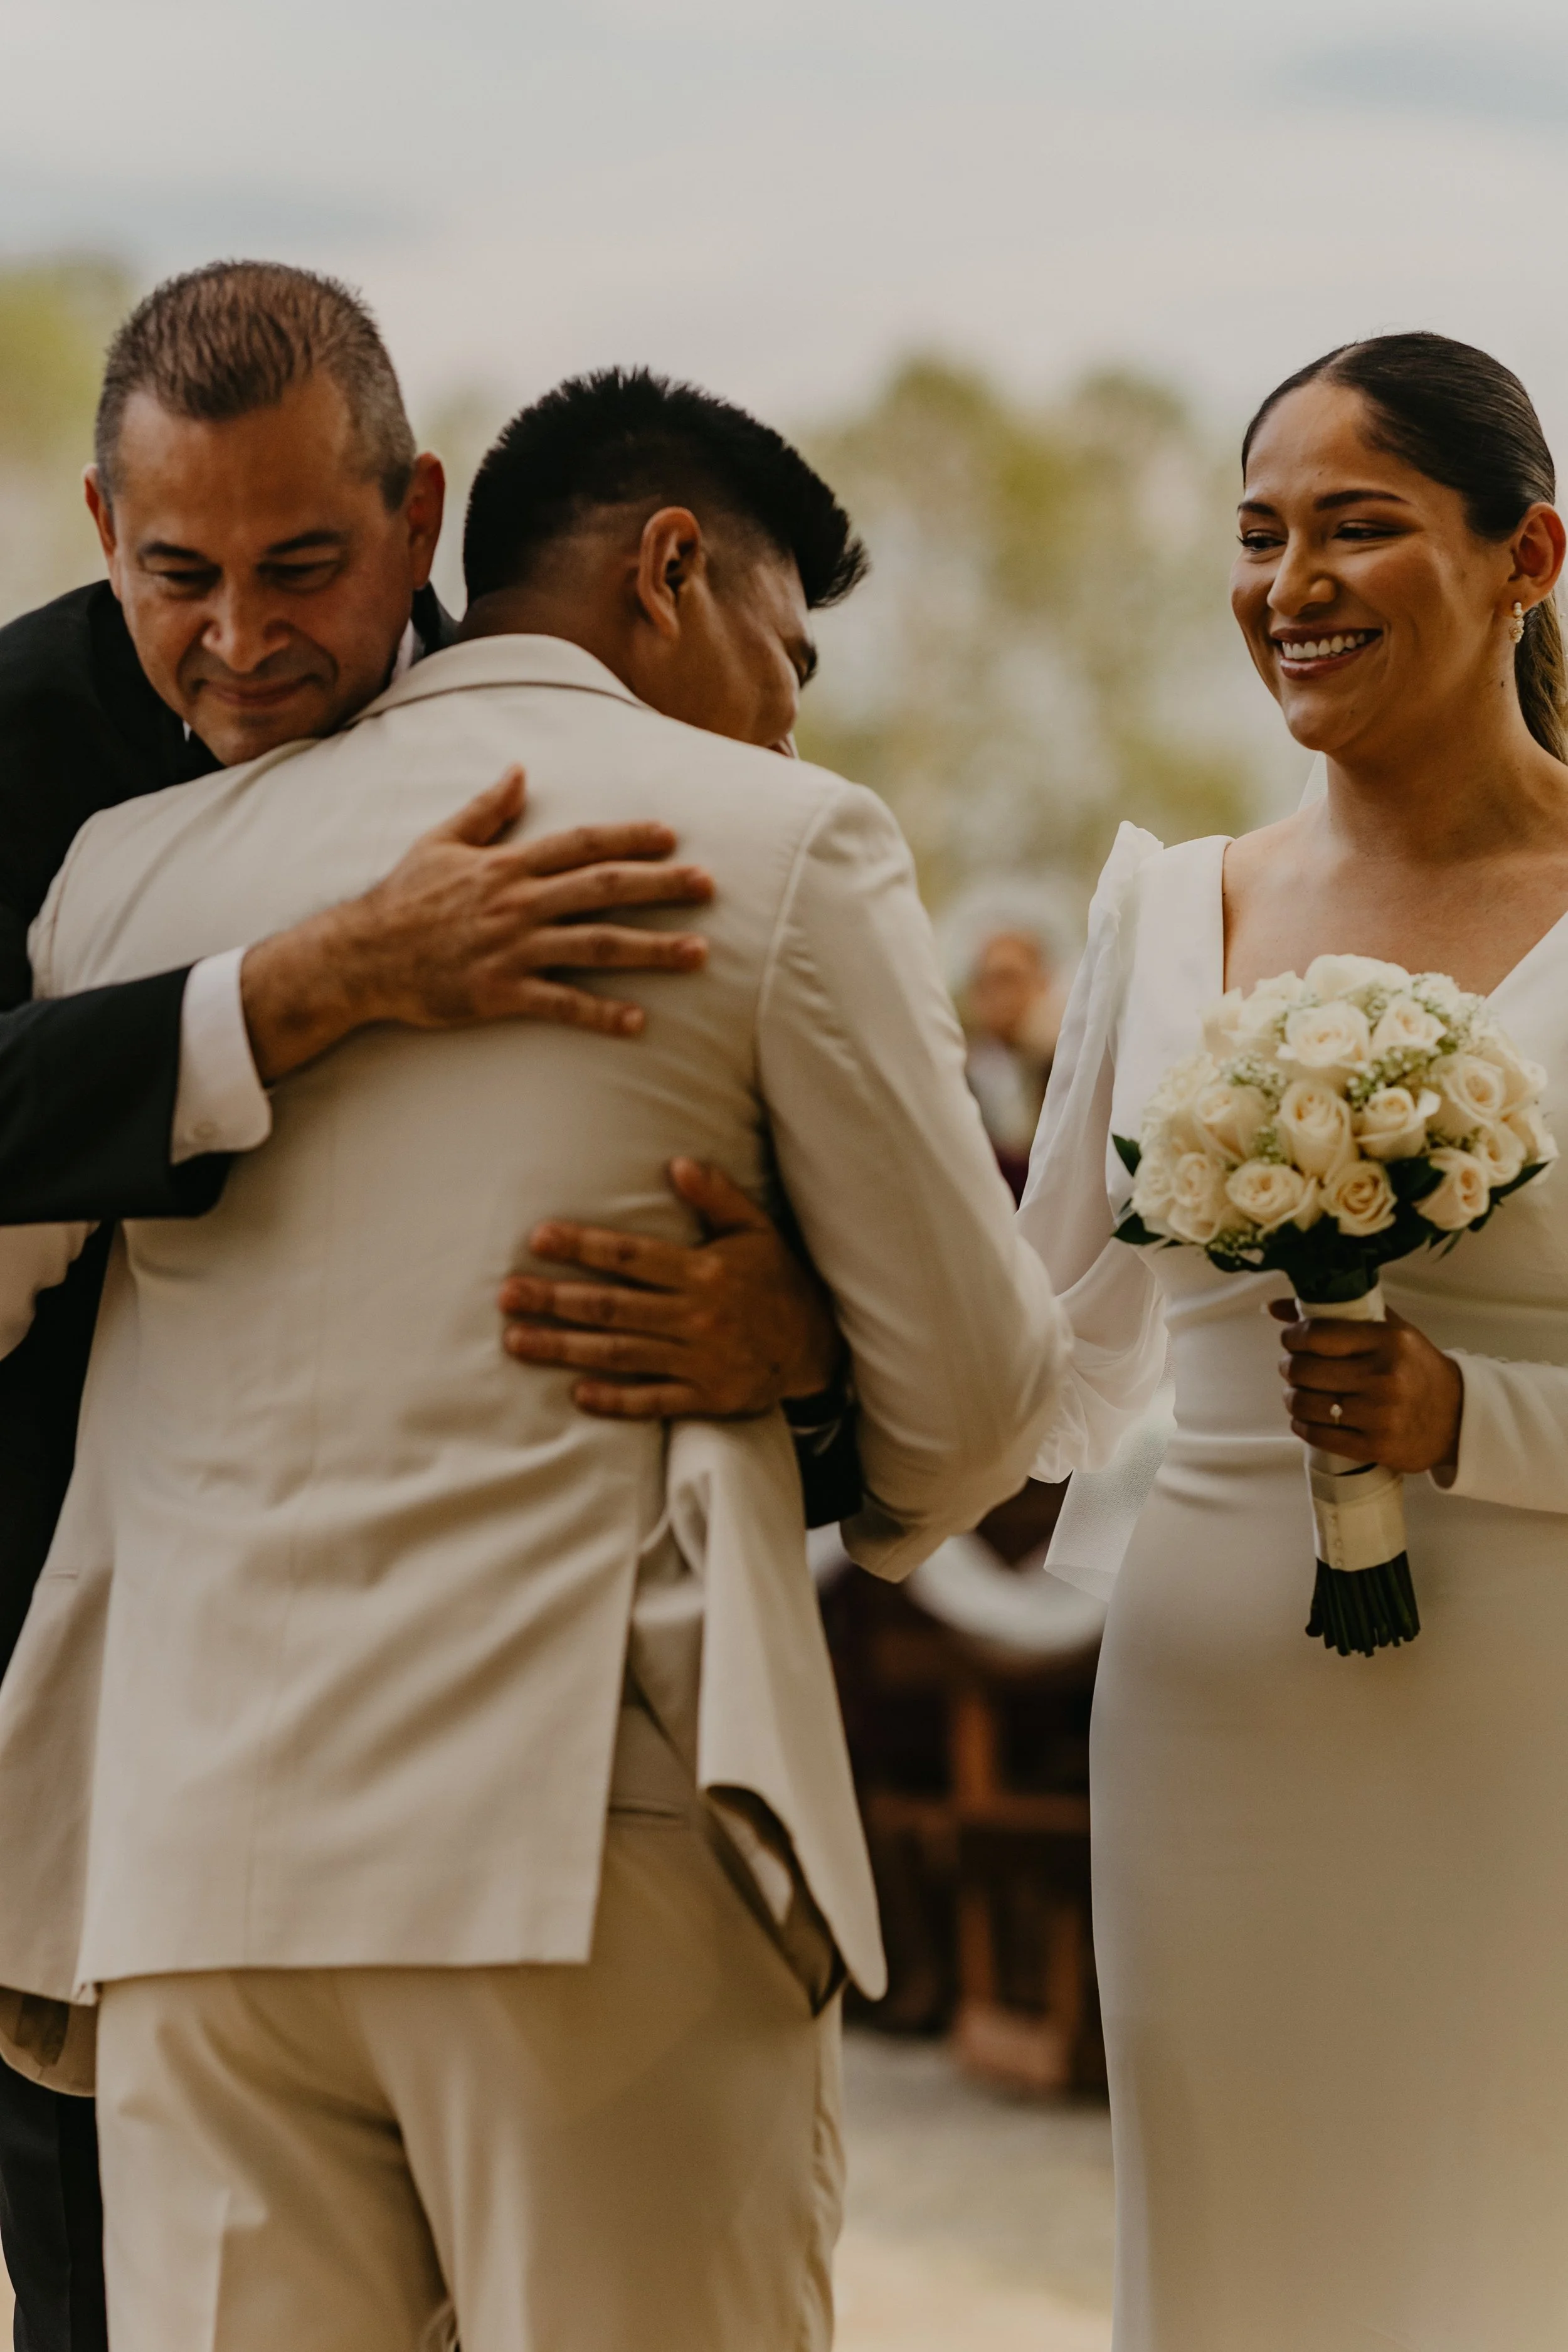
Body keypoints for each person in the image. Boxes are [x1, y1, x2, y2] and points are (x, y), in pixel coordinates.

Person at [0, 366, 1066, 2352]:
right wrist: (822, 1376)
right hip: (589, 1845)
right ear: (672, 567)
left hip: (187, 1875)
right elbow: (987, 1397)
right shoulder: (779, 838)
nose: (785, 702)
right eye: (789, 646)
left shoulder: (133, 867)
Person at [1020, 331, 1568, 2348]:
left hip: (1537, 1718)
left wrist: (1469, 1411)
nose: (1289, 583)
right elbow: (1044, 1342)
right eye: (1257, 536)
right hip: (1210, 1713)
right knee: (1242, 2262)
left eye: (1357, 527)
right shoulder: (1168, 909)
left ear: (1528, 556)